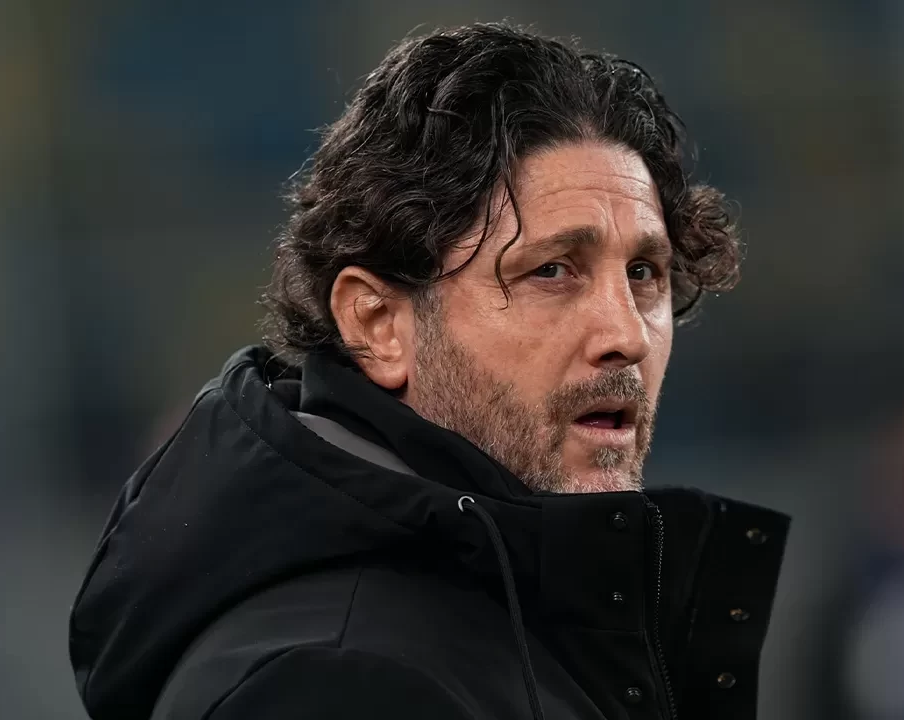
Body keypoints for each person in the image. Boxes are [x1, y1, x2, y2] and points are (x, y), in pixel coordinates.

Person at [69, 22, 789, 720]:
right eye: (551, 271)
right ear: (379, 325)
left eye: (643, 273)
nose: (626, 334)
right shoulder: (330, 685)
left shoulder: (538, 622)